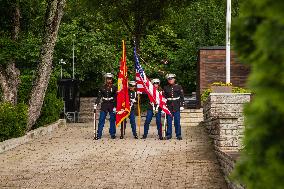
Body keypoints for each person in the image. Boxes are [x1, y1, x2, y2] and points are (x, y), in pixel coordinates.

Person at [94, 73, 117, 140]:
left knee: (112, 119)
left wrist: (115, 106)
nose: (109, 80)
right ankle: (99, 134)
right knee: (101, 119)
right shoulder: (102, 87)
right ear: (106, 79)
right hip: (104, 105)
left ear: (111, 80)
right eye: (107, 79)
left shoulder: (114, 87)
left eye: (110, 79)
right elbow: (99, 97)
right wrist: (96, 104)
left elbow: (116, 98)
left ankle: (112, 134)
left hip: (111, 104)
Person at [163, 74, 184, 140]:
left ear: (174, 79)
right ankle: (169, 135)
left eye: (171, 79)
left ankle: (178, 135)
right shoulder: (165, 87)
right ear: (167, 80)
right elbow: (164, 98)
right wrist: (164, 107)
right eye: (169, 79)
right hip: (169, 106)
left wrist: (182, 105)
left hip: (176, 105)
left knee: (177, 121)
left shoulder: (179, 87)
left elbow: (182, 97)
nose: (170, 80)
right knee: (169, 121)